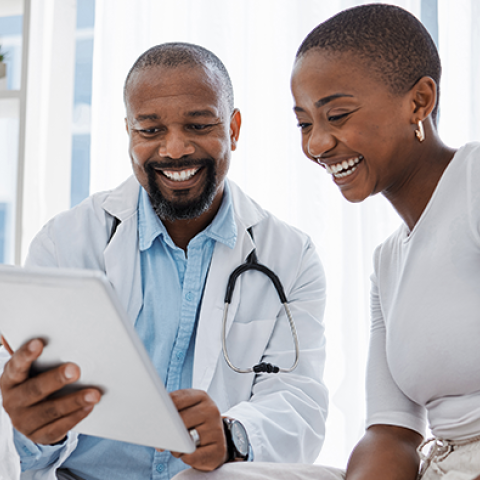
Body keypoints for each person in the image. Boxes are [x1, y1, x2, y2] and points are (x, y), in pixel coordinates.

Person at [0, 42, 335, 480]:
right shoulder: (65, 243)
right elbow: (28, 431)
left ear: (233, 128)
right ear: (128, 132)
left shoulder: (290, 256)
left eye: (198, 125)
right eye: (150, 130)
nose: (175, 150)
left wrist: (235, 435)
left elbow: (299, 399)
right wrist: (33, 431)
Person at [290, 4, 480, 480]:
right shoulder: (388, 262)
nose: (317, 144)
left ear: (419, 101)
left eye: (337, 115)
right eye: (305, 123)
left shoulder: (475, 181)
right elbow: (390, 433)